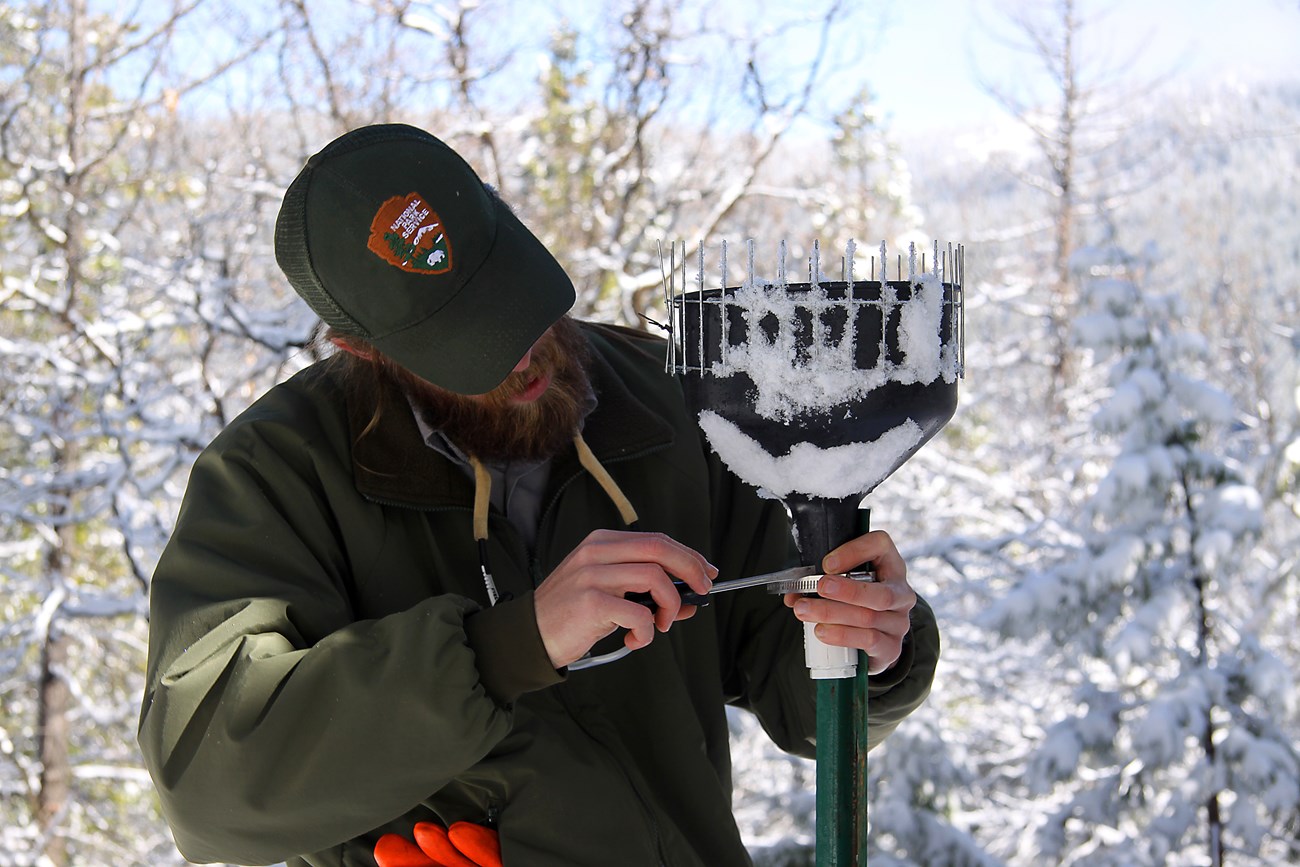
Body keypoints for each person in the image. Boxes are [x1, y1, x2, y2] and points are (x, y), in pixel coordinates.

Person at [137, 123, 940, 867]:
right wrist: (506, 647)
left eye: (513, 302)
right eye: (469, 342)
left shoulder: (670, 401)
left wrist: (872, 649)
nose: (524, 356)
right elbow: (207, 780)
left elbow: (795, 684)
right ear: (361, 350)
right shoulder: (278, 474)